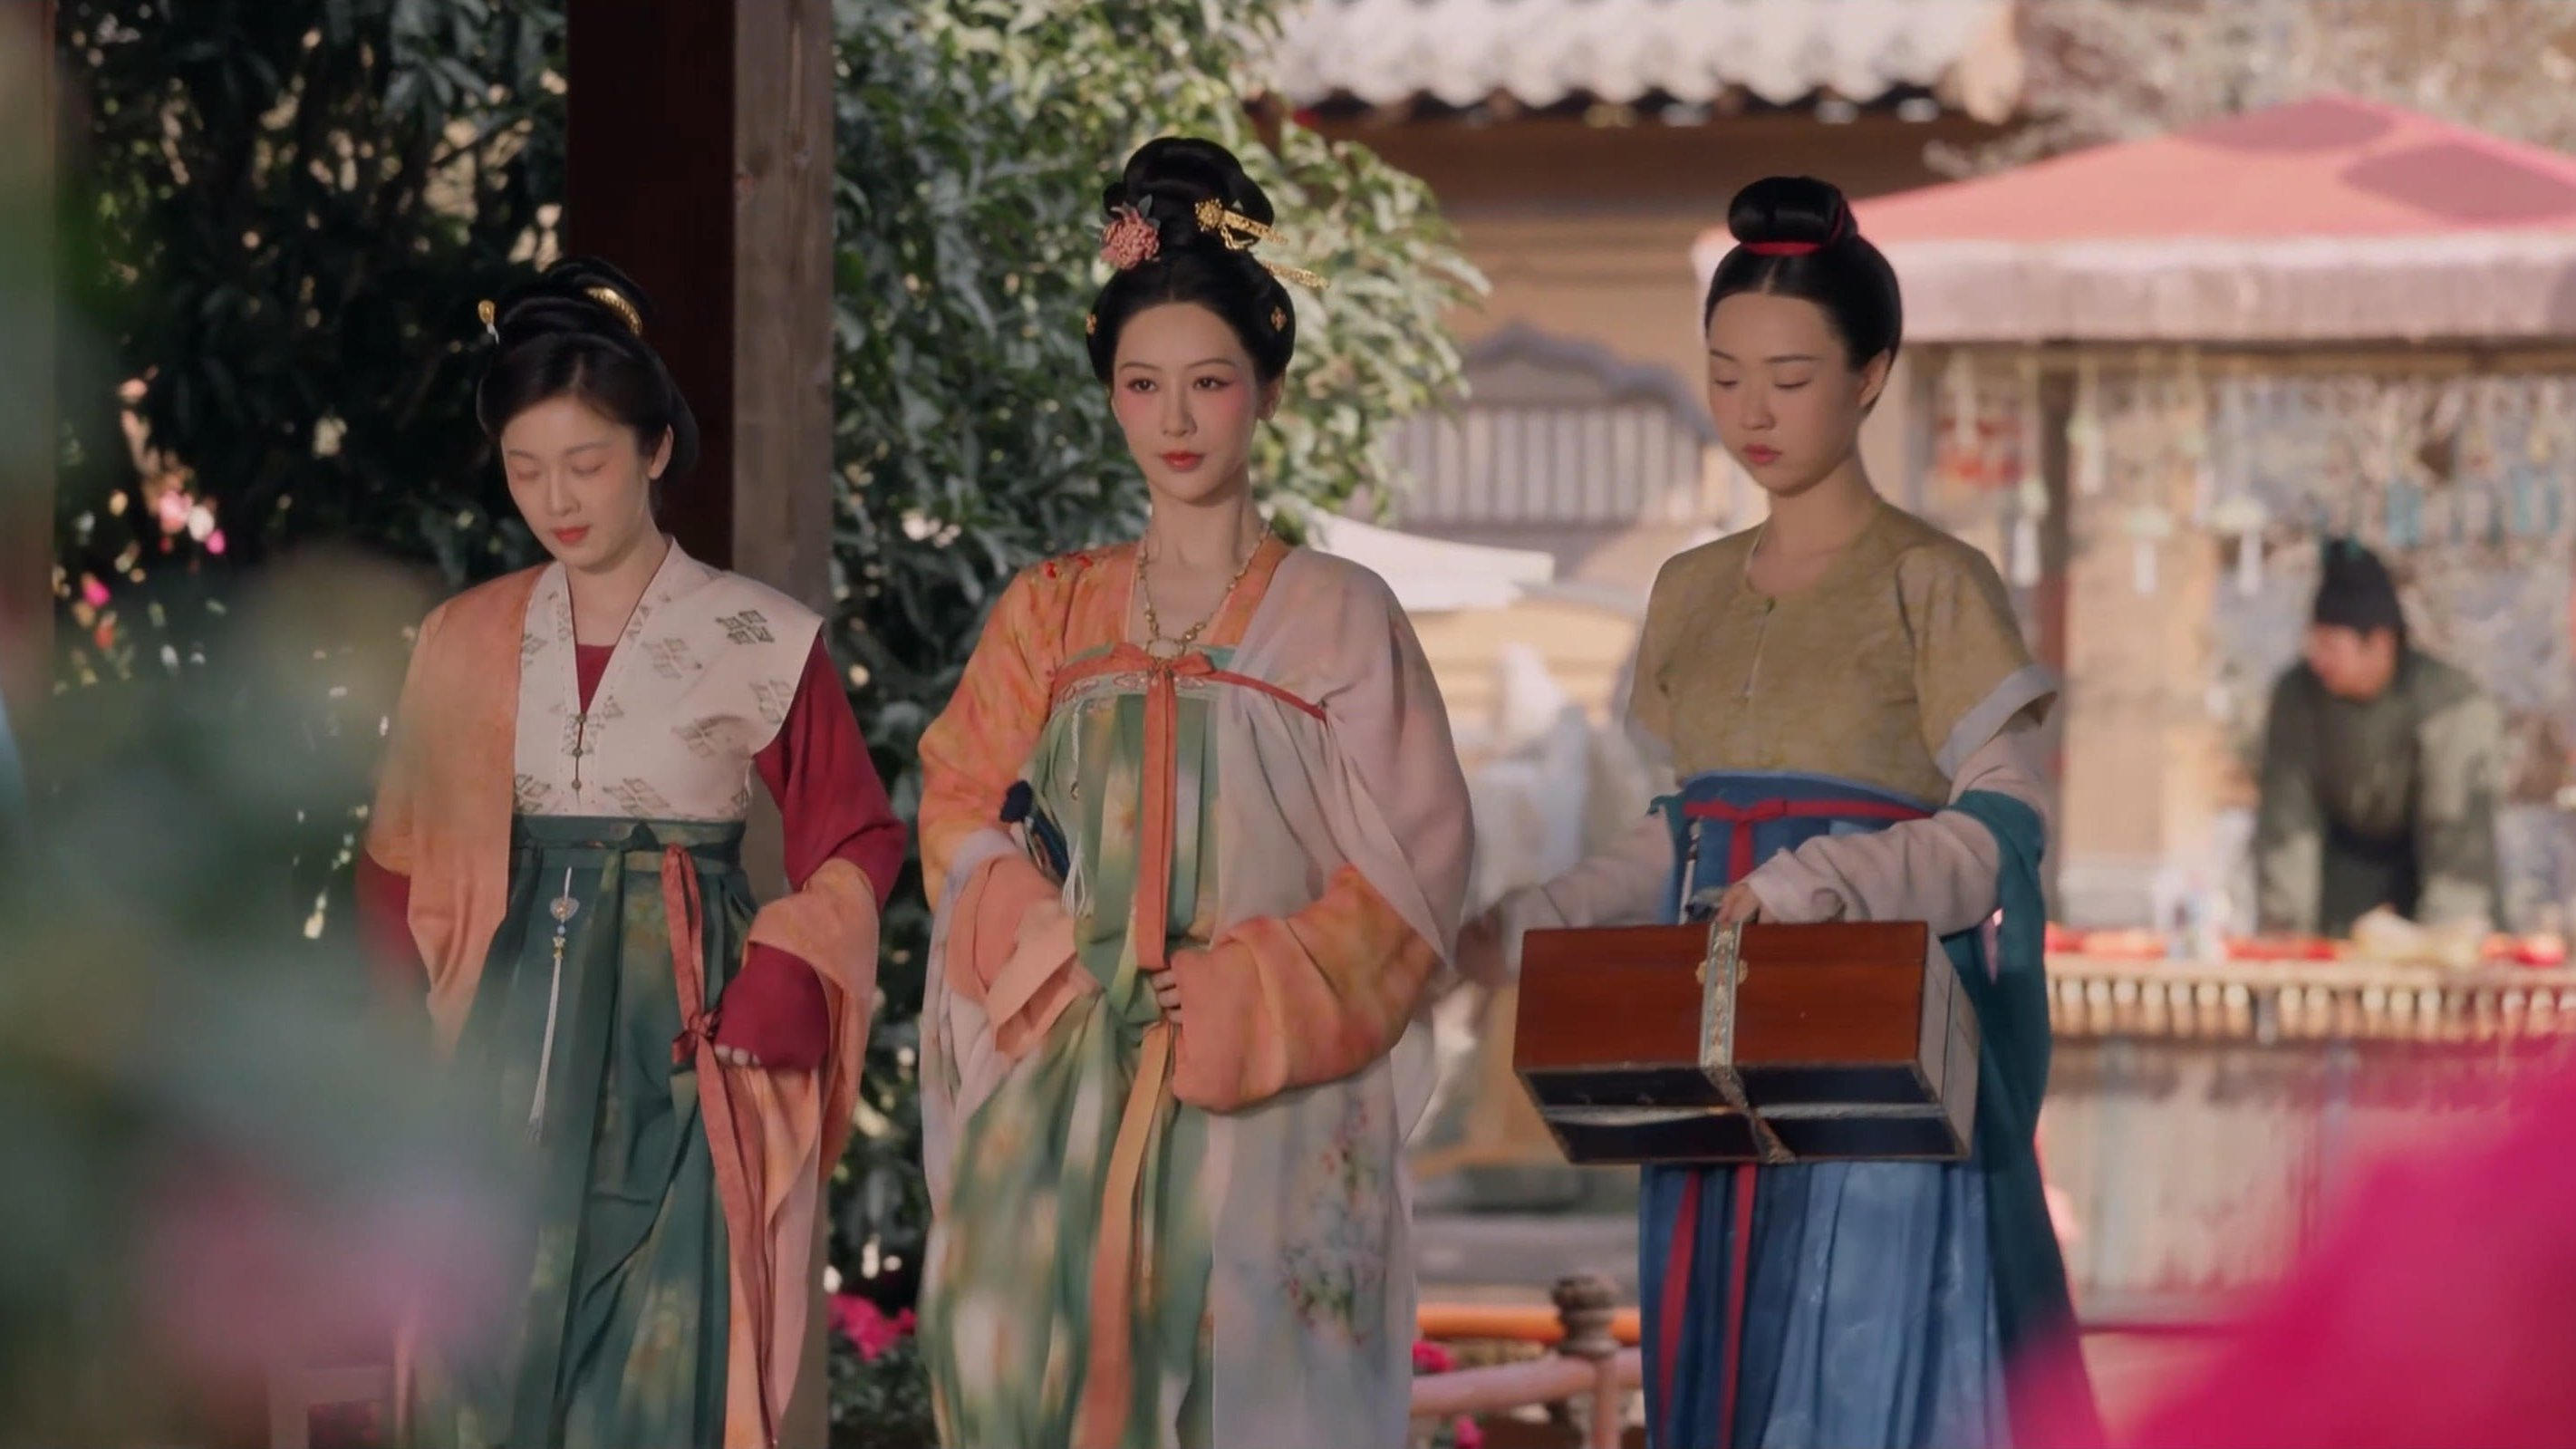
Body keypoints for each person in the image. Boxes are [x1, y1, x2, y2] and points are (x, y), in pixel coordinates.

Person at [1462, 176, 2098, 1449]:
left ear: (1869, 376)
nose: (1752, 410)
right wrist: (1529, 920)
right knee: (1716, 1352)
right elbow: (1681, 828)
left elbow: (2003, 827)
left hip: (1871, 1062)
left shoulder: (1932, 580)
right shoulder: (1687, 590)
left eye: (1791, 376)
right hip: (1707, 1057)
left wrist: (1826, 881)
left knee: (1850, 1366)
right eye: (1724, 375)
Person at [913, 137, 1472, 1449]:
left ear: (1266, 390)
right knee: (1028, 1372)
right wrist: (1046, 945)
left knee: (1262, 1392)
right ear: (1109, 395)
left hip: (1273, 1095)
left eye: (1208, 384)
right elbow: (956, 799)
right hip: (1071, 1073)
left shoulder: (1342, 615)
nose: (1173, 422)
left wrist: (1251, 992)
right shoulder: (1049, 611)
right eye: (1141, 385)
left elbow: (1420, 868)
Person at [358, 257, 905, 1448]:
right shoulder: (461, 636)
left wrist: (790, 964)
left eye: (587, 461)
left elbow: (855, 830)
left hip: (685, 1040)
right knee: (471, 1346)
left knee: (660, 1365)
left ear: (656, 449)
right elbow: (395, 864)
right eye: (525, 467)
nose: (556, 497)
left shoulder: (756, 633)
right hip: (495, 1030)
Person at [2253, 539, 2502, 939]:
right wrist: (2287, 935)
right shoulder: (2298, 697)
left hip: (2435, 888)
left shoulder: (2450, 703)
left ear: (2380, 644)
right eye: (2314, 642)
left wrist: (2447, 942)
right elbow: (2286, 822)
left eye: (2331, 645)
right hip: (2340, 896)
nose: (2318, 659)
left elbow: (2456, 836)